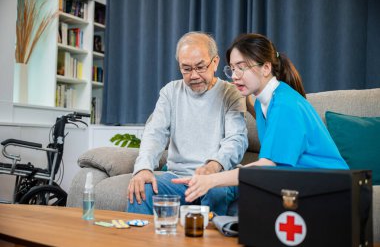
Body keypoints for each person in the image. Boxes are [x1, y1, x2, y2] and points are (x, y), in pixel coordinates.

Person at [172, 33, 349, 202]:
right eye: (232, 69)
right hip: (302, 184)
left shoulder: (285, 104)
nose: (234, 76)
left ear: (266, 68)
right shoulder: (262, 103)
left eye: (241, 68)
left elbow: (268, 165)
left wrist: (211, 180)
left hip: (331, 189)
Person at [127, 32, 248, 215]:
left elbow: (236, 139)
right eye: (186, 69)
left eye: (200, 67)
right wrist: (143, 168)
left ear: (214, 62)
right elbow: (155, 133)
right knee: (142, 190)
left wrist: (212, 167)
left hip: (217, 178)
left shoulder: (231, 93)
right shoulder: (170, 92)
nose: (193, 75)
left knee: (215, 191)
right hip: (178, 179)